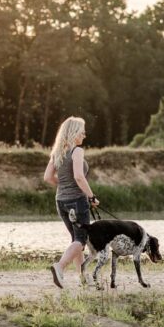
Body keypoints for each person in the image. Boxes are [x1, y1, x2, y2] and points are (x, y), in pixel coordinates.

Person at [43, 116, 98, 288]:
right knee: (81, 240)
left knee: (76, 239)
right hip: (76, 201)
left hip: (61, 201)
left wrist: (64, 184)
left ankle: (83, 277)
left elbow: (47, 178)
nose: (84, 135)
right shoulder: (77, 151)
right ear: (74, 132)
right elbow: (79, 177)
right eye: (82, 131)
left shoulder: (57, 152)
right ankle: (59, 267)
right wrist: (91, 196)